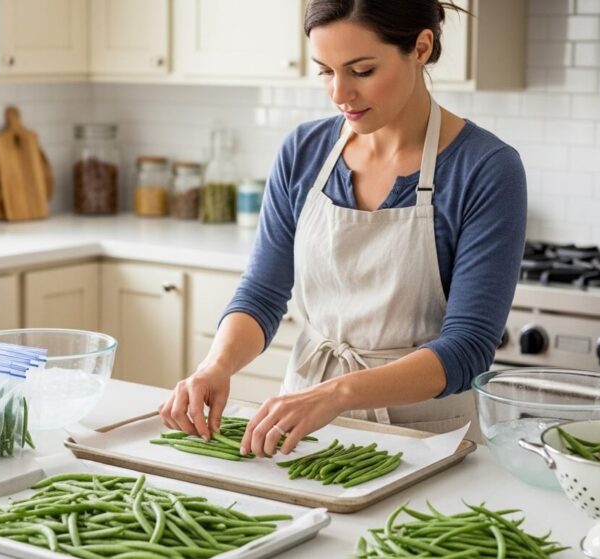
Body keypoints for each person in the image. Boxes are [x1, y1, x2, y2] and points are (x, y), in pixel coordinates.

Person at [159, 0, 526, 460]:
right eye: (325, 71)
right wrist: (216, 367)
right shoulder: (304, 150)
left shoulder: (486, 168)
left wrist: (338, 394)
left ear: (420, 46)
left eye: (362, 70)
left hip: (426, 436)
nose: (339, 93)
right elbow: (262, 293)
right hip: (301, 424)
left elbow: (468, 347)